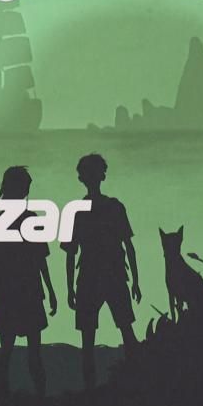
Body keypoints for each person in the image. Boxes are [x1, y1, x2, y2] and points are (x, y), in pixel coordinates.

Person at [62, 152, 139, 389]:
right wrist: (136, 280)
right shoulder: (107, 207)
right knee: (120, 331)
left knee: (93, 338)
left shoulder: (82, 210)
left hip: (99, 276)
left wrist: (136, 280)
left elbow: (71, 253)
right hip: (103, 276)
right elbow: (128, 245)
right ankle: (130, 381)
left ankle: (98, 389)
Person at [0, 166, 57, 395]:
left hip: (15, 293)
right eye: (24, 187)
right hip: (23, 293)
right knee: (28, 350)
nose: (25, 191)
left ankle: (8, 397)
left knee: (10, 350)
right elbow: (40, 259)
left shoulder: (2, 220)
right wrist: (50, 290)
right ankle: (36, 397)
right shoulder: (25, 219)